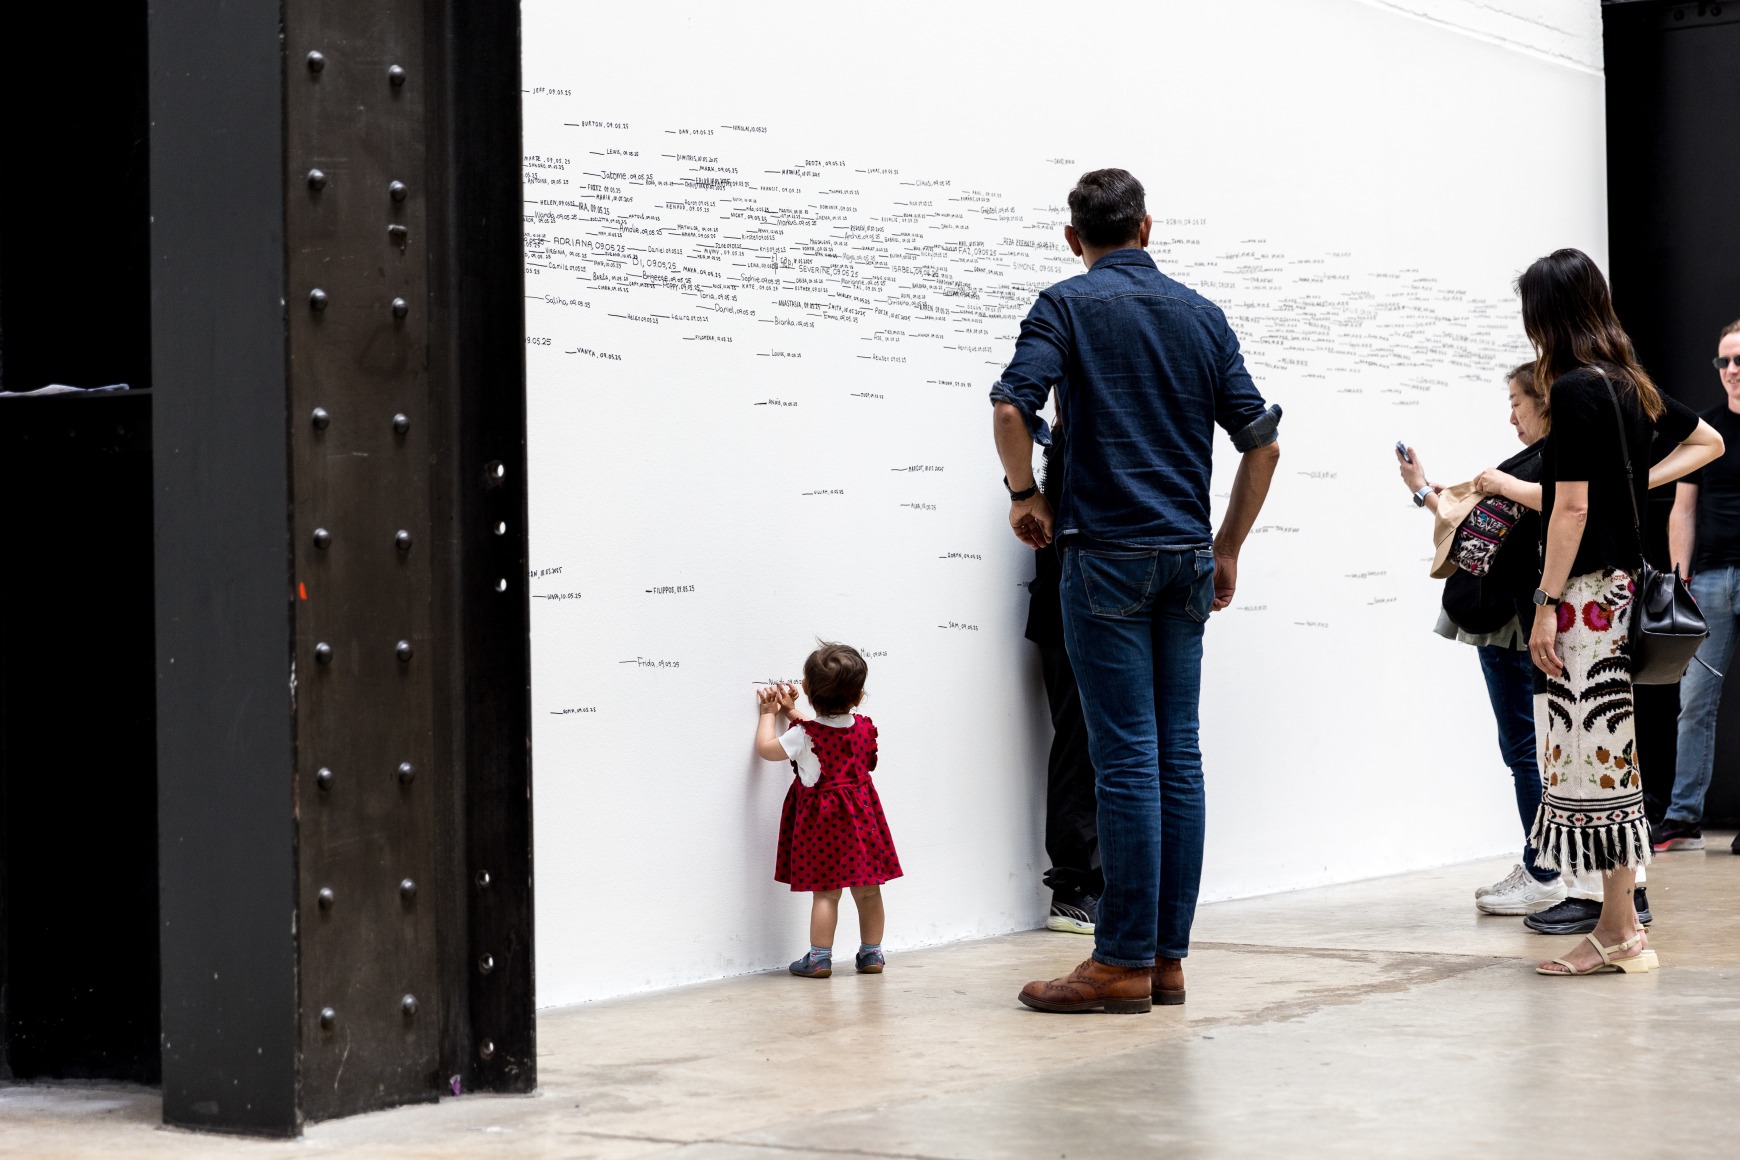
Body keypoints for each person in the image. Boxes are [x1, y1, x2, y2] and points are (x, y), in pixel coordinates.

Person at [990, 168, 1281, 1013]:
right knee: (1177, 758)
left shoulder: (1066, 304)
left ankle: (1119, 961)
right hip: (1186, 558)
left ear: (1074, 237)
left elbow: (1013, 410)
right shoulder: (1201, 315)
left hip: (1106, 558)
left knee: (1124, 761)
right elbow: (1260, 444)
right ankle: (1167, 960)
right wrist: (1227, 547)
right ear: (1147, 227)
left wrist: (1024, 496)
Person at [1517, 248, 1723, 977]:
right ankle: (1618, 924)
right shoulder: (1627, 384)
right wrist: (1640, 484)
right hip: (1622, 595)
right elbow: (1711, 440)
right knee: (1610, 756)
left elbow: (1569, 509)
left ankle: (1620, 930)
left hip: (1583, 602)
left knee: (1590, 758)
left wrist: (1545, 603)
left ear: (1548, 316)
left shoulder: (1574, 390)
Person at [1396, 363, 1565, 915]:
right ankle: (1545, 865)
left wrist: (1491, 484)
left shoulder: (1546, 464)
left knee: (1524, 748)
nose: (1511, 413)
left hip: (1517, 618)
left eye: (1518, 401)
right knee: (1530, 748)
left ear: (1544, 401)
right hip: (1512, 617)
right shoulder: (1530, 465)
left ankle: (1543, 872)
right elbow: (1474, 527)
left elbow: (1550, 508)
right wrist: (1424, 489)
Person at [752, 644, 903, 979]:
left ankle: (819, 959)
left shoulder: (803, 735)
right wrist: (793, 713)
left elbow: (767, 750)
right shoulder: (864, 726)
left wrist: (768, 715)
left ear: (806, 688)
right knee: (868, 889)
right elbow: (828, 732)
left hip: (824, 824)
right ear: (859, 697)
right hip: (864, 819)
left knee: (826, 893)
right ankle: (872, 954)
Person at [1658, 318, 1740, 855]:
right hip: (1709, 580)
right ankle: (1684, 818)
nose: (1731, 371)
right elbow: (1682, 509)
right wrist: (1679, 578)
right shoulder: (1704, 431)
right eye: (1724, 362)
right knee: (1695, 701)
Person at [1027, 432, 1104, 934]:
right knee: (1081, 743)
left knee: (1095, 745)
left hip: (1082, 609)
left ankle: (1089, 886)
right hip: (1074, 611)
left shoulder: (1072, 441)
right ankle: (1075, 891)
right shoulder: (1078, 444)